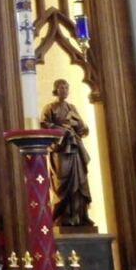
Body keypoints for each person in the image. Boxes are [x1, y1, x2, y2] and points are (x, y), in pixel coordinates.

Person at [40, 78, 94, 228]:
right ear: (56, 90)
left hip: (75, 149)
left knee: (79, 182)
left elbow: (83, 129)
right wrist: (62, 129)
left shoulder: (72, 108)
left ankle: (79, 216)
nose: (64, 90)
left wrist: (78, 125)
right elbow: (44, 125)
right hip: (61, 150)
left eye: (66, 88)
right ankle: (63, 217)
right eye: (61, 88)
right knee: (62, 182)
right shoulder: (49, 108)